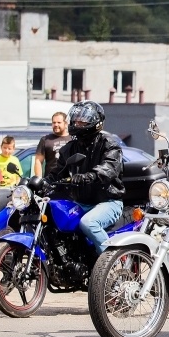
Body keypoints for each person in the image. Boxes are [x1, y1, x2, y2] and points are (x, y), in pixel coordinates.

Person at [47, 100, 124, 253]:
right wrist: (41, 183)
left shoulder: (109, 145)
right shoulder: (69, 148)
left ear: (95, 122)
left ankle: (108, 264)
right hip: (81, 202)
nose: (77, 123)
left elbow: (109, 168)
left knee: (89, 223)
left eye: (82, 120)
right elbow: (56, 173)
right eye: (75, 119)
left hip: (108, 201)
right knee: (53, 218)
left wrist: (88, 176)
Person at [34, 111, 71, 177]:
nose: (56, 125)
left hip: (69, 180)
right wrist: (39, 179)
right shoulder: (45, 140)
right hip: (50, 180)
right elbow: (38, 161)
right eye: (54, 122)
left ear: (65, 124)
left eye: (59, 122)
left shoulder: (73, 139)